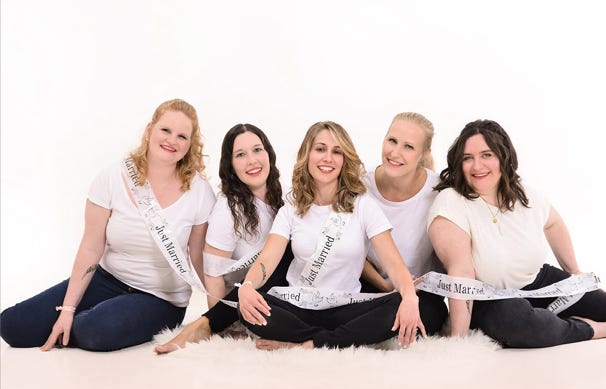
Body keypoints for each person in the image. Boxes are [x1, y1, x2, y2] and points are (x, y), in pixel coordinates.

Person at [0, 99, 215, 352]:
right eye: (165, 130)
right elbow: (91, 248)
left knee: (94, 331)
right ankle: (81, 320)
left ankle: (89, 322)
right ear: (149, 130)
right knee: (11, 326)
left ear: (190, 144)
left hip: (161, 298)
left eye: (182, 136)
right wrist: (67, 309)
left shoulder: (199, 191)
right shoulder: (113, 177)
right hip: (107, 280)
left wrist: (217, 316)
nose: (172, 140)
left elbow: (199, 260)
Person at [427, 119, 606, 348]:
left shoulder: (522, 193)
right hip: (490, 299)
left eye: (487, 155)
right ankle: (586, 329)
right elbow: (461, 274)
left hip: (538, 283)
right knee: (519, 322)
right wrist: (458, 341)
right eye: (467, 158)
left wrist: (575, 274)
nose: (477, 166)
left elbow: (553, 224)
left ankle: (551, 322)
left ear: (503, 156)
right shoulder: (451, 201)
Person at [236, 121, 425, 350]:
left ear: (344, 159)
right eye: (320, 149)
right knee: (247, 307)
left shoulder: (363, 205)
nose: (328, 158)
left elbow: (394, 263)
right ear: (307, 154)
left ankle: (304, 344)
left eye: (337, 152)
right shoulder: (291, 209)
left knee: (397, 305)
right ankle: (336, 339)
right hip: (298, 307)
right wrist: (247, 286)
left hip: (347, 308)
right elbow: (267, 260)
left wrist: (409, 297)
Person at [154, 123, 293, 354]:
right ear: (230, 165)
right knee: (285, 252)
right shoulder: (228, 209)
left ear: (268, 153)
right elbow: (213, 274)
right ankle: (205, 324)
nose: (252, 161)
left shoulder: (287, 196)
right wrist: (221, 324)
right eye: (241, 155)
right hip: (244, 302)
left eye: (257, 150)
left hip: (287, 292)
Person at [360, 112, 447, 335]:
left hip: (420, 294)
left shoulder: (440, 192)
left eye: (408, 146)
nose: (395, 153)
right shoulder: (359, 187)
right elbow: (347, 250)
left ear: (424, 154)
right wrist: (384, 285)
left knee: (416, 316)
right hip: (370, 288)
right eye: (392, 141)